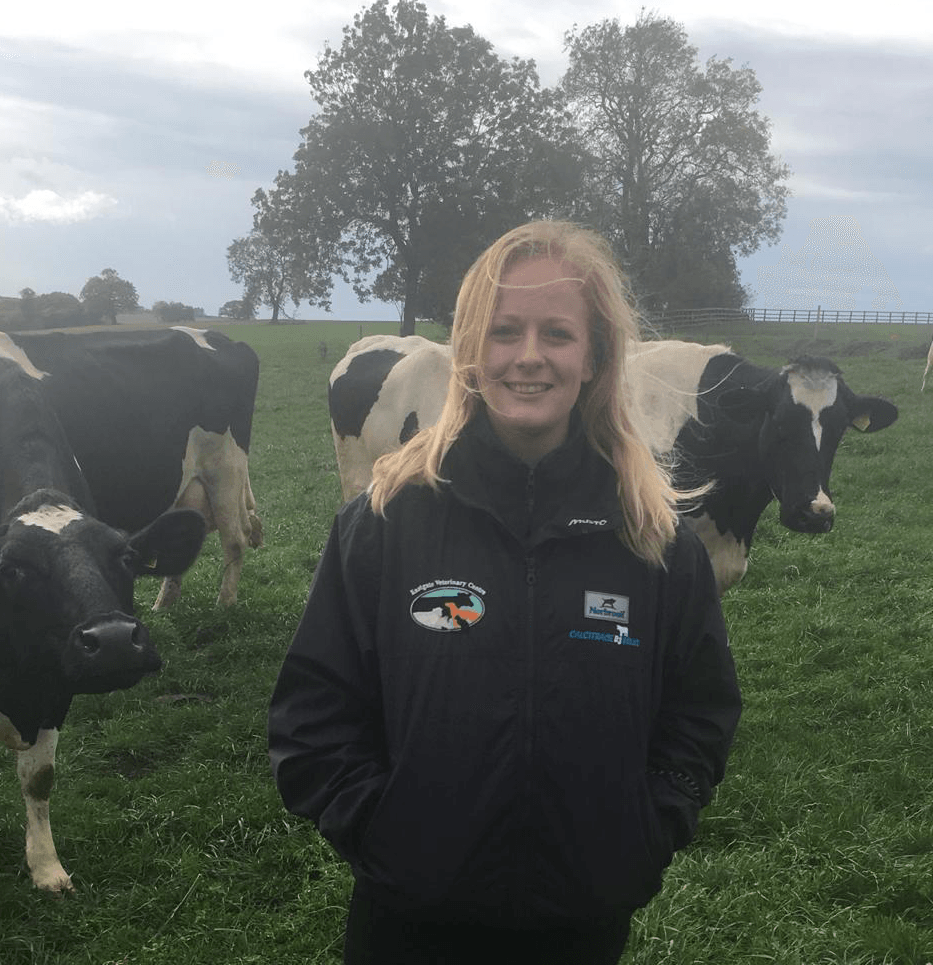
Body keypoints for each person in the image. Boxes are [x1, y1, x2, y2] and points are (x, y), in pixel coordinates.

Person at [268, 220, 741, 964]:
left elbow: (700, 712)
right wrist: (381, 833)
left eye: (558, 333)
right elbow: (312, 713)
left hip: (583, 925)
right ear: (468, 351)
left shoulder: (653, 539)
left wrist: (644, 831)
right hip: (406, 922)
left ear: (594, 357)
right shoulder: (385, 524)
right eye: (504, 331)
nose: (529, 356)